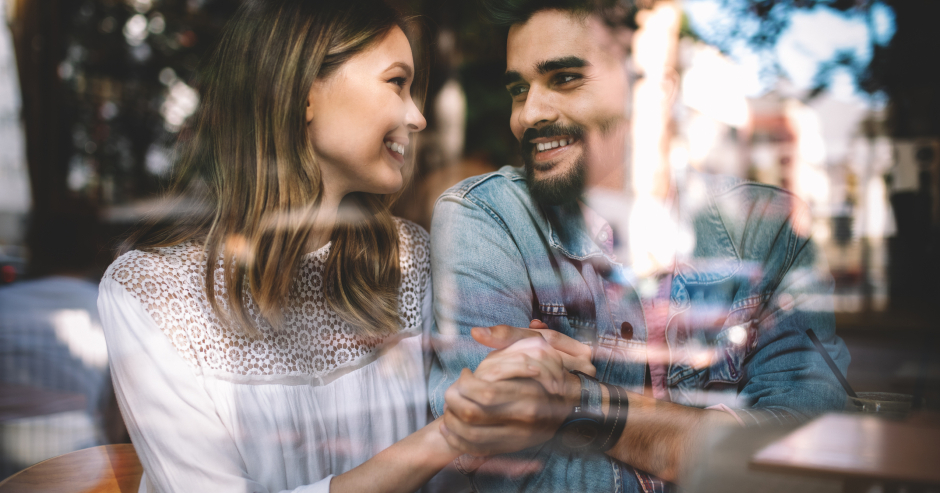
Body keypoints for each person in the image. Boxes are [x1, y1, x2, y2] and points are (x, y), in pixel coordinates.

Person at [98, 1, 563, 491]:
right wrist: (450, 433)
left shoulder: (412, 262)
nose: (418, 116)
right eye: (396, 82)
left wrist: (514, 370)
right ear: (302, 94)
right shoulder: (154, 294)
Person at [428, 1, 851, 491]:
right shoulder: (489, 218)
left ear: (651, 88)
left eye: (564, 78)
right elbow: (503, 468)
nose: (528, 114)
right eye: (519, 89)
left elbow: (801, 452)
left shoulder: (767, 231)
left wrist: (575, 400)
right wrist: (699, 443)